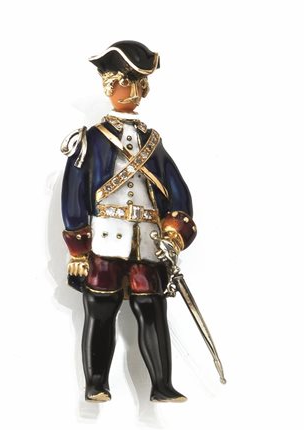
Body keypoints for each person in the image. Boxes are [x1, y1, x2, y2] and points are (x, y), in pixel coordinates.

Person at [61, 40, 197, 402]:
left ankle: (162, 385)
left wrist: (173, 234)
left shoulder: (154, 142)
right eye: (126, 83)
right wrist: (78, 250)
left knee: (152, 308)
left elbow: (177, 192)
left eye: (139, 84)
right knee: (101, 309)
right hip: (105, 239)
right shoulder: (91, 139)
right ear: (109, 85)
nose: (134, 92)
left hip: (148, 242)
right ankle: (96, 383)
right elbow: (74, 193)